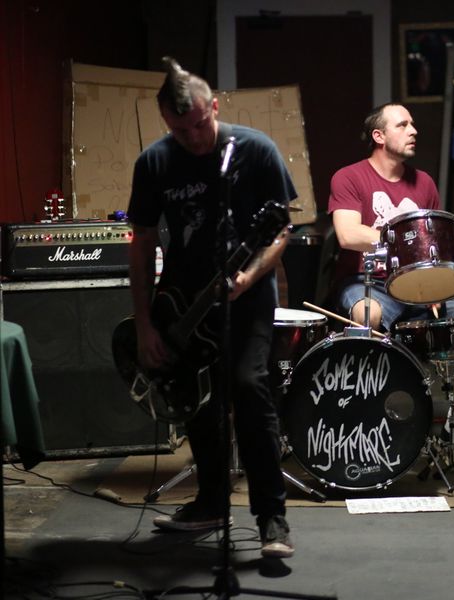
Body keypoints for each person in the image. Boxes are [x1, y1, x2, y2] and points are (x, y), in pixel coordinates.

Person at [127, 57, 296, 558]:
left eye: (200, 124)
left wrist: (250, 275)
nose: (194, 138)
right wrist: (144, 324)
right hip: (182, 302)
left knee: (249, 388)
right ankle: (210, 502)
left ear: (215, 107)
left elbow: (281, 230)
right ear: (165, 121)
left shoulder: (257, 151)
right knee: (197, 401)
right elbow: (141, 243)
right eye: (180, 130)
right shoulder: (154, 162)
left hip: (248, 295)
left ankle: (272, 517)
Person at [328, 102, 454, 446]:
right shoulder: (349, 177)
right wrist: (404, 241)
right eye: (402, 125)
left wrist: (436, 285)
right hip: (367, 283)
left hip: (418, 288)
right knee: (368, 316)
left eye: (413, 124)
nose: (413, 131)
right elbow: (347, 235)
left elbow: (433, 250)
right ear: (379, 136)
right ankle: (366, 417)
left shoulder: (424, 183)